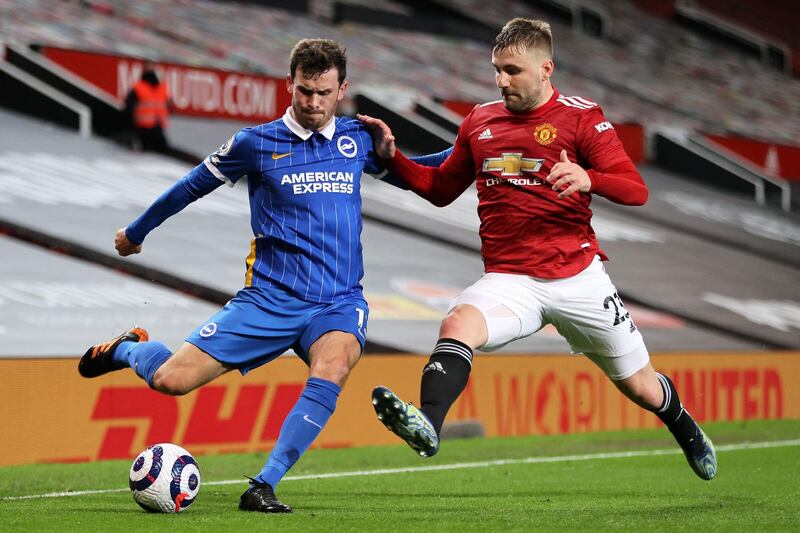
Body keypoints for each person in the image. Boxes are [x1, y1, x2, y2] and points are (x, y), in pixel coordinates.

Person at [359, 18, 717, 481]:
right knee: (457, 322)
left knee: (642, 388)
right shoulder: (480, 120)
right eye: (497, 70)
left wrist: (591, 178)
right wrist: (395, 160)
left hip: (579, 278)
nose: (501, 80)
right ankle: (428, 422)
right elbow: (443, 188)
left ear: (546, 69)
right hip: (511, 279)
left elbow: (636, 190)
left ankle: (685, 427)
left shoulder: (582, 117)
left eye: (513, 70)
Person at [79, 39, 418, 514]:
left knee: (334, 366)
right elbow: (190, 186)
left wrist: (400, 156)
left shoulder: (358, 140)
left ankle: (263, 485)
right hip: (270, 300)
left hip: (338, 301)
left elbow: (429, 174)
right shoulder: (254, 143)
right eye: (305, 91)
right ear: (289, 84)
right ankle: (127, 348)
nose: (314, 104)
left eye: (324, 92)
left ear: (342, 89)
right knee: (171, 382)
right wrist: (136, 233)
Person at [124, 62, 170, 152]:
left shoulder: (138, 87)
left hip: (142, 128)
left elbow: (128, 107)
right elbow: (169, 107)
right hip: (158, 128)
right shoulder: (163, 88)